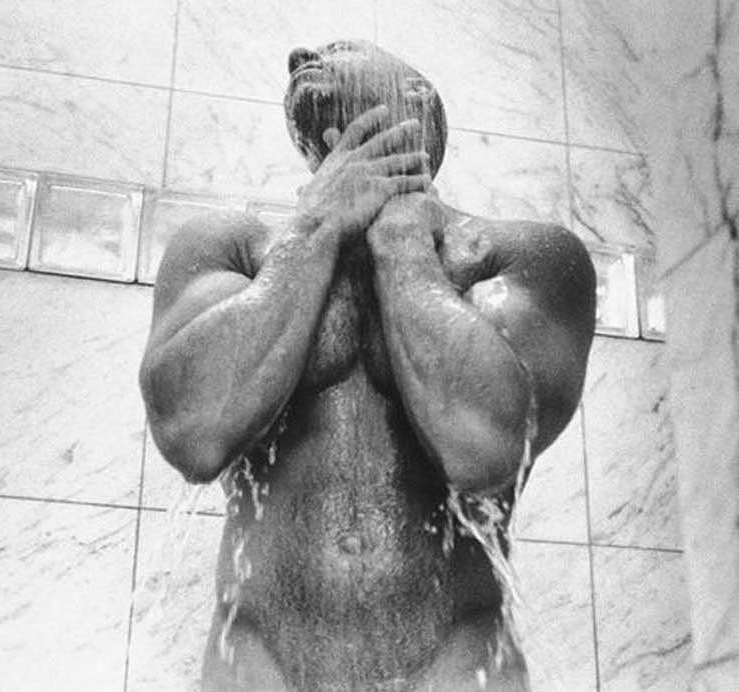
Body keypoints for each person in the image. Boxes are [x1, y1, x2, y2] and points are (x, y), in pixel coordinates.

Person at [139, 40, 596, 692]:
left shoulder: (524, 254)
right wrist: (315, 229)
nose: (300, 55)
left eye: (342, 49)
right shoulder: (231, 249)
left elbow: (483, 449)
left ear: (418, 98)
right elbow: (193, 433)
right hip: (259, 667)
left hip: (458, 666)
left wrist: (404, 243)